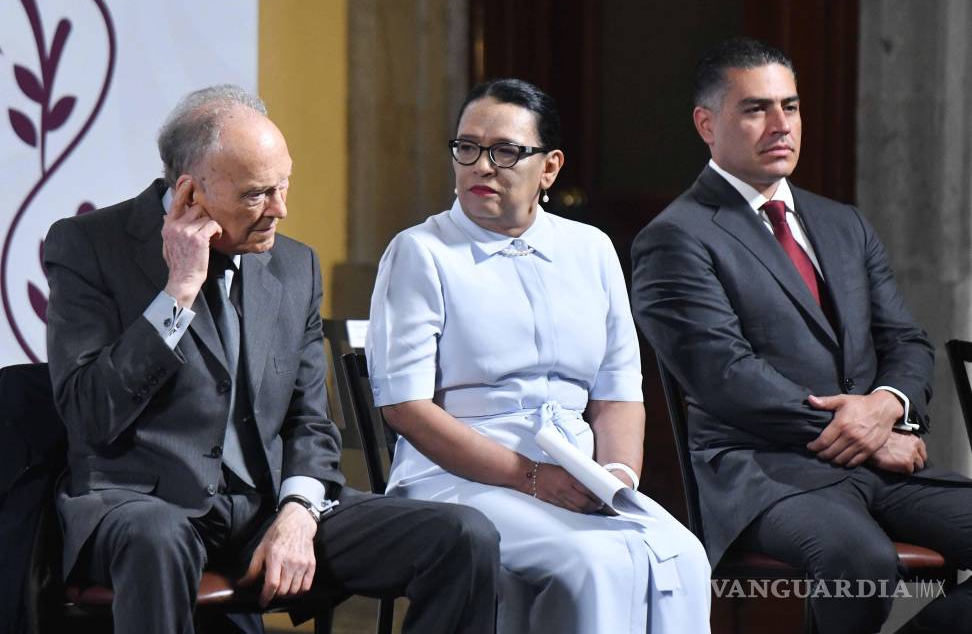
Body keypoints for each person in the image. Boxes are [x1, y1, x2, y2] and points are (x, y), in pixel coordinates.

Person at [44, 85, 500, 634]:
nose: (279, 210)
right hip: (143, 504)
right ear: (190, 191)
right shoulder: (88, 246)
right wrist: (178, 292)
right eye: (258, 194)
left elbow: (310, 421)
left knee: (463, 536)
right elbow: (90, 412)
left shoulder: (294, 266)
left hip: (265, 508)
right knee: (156, 538)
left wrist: (299, 511)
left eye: (284, 186)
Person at [631, 37, 972, 634]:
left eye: (790, 106)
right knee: (860, 561)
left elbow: (907, 342)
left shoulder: (843, 223)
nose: (780, 124)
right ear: (706, 124)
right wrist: (864, 433)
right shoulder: (675, 237)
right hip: (764, 474)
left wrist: (887, 405)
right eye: (756, 108)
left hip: (881, 468)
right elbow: (726, 378)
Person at [365, 78, 711, 634]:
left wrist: (615, 477)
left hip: (576, 473)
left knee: (684, 555)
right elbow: (404, 407)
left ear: (549, 168)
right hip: (454, 476)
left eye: (505, 152)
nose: (481, 166)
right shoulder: (420, 252)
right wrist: (528, 476)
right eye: (467, 148)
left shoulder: (591, 249)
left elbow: (619, 391)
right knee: (594, 565)